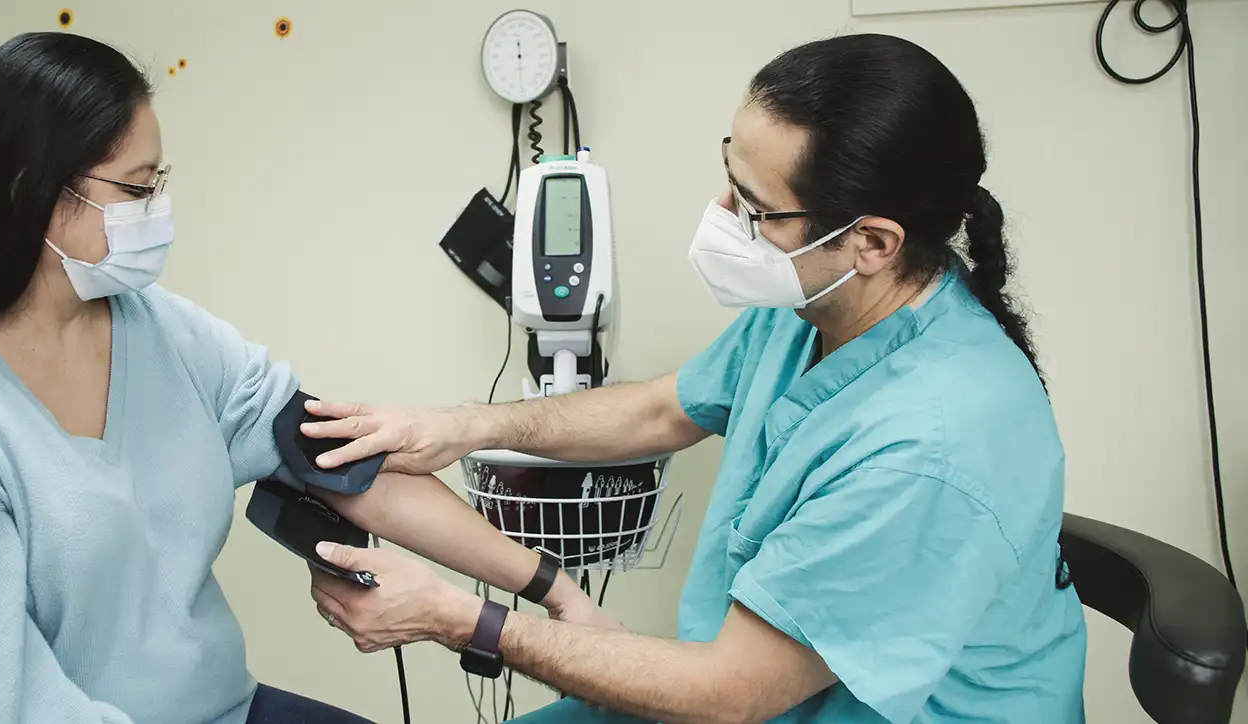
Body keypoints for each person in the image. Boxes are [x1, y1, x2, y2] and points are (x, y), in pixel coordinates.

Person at [0, 32, 609, 724]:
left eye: (161, 182)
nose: (158, 210)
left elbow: (346, 463)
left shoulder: (160, 332)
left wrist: (553, 589)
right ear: (29, 194)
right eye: (136, 189)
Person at [299, 33, 1088, 724]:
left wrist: (455, 617)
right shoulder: (820, 305)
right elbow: (657, 411)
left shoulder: (932, 442)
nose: (720, 214)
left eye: (754, 208)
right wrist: (465, 426)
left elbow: (730, 696)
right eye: (729, 175)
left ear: (872, 241)